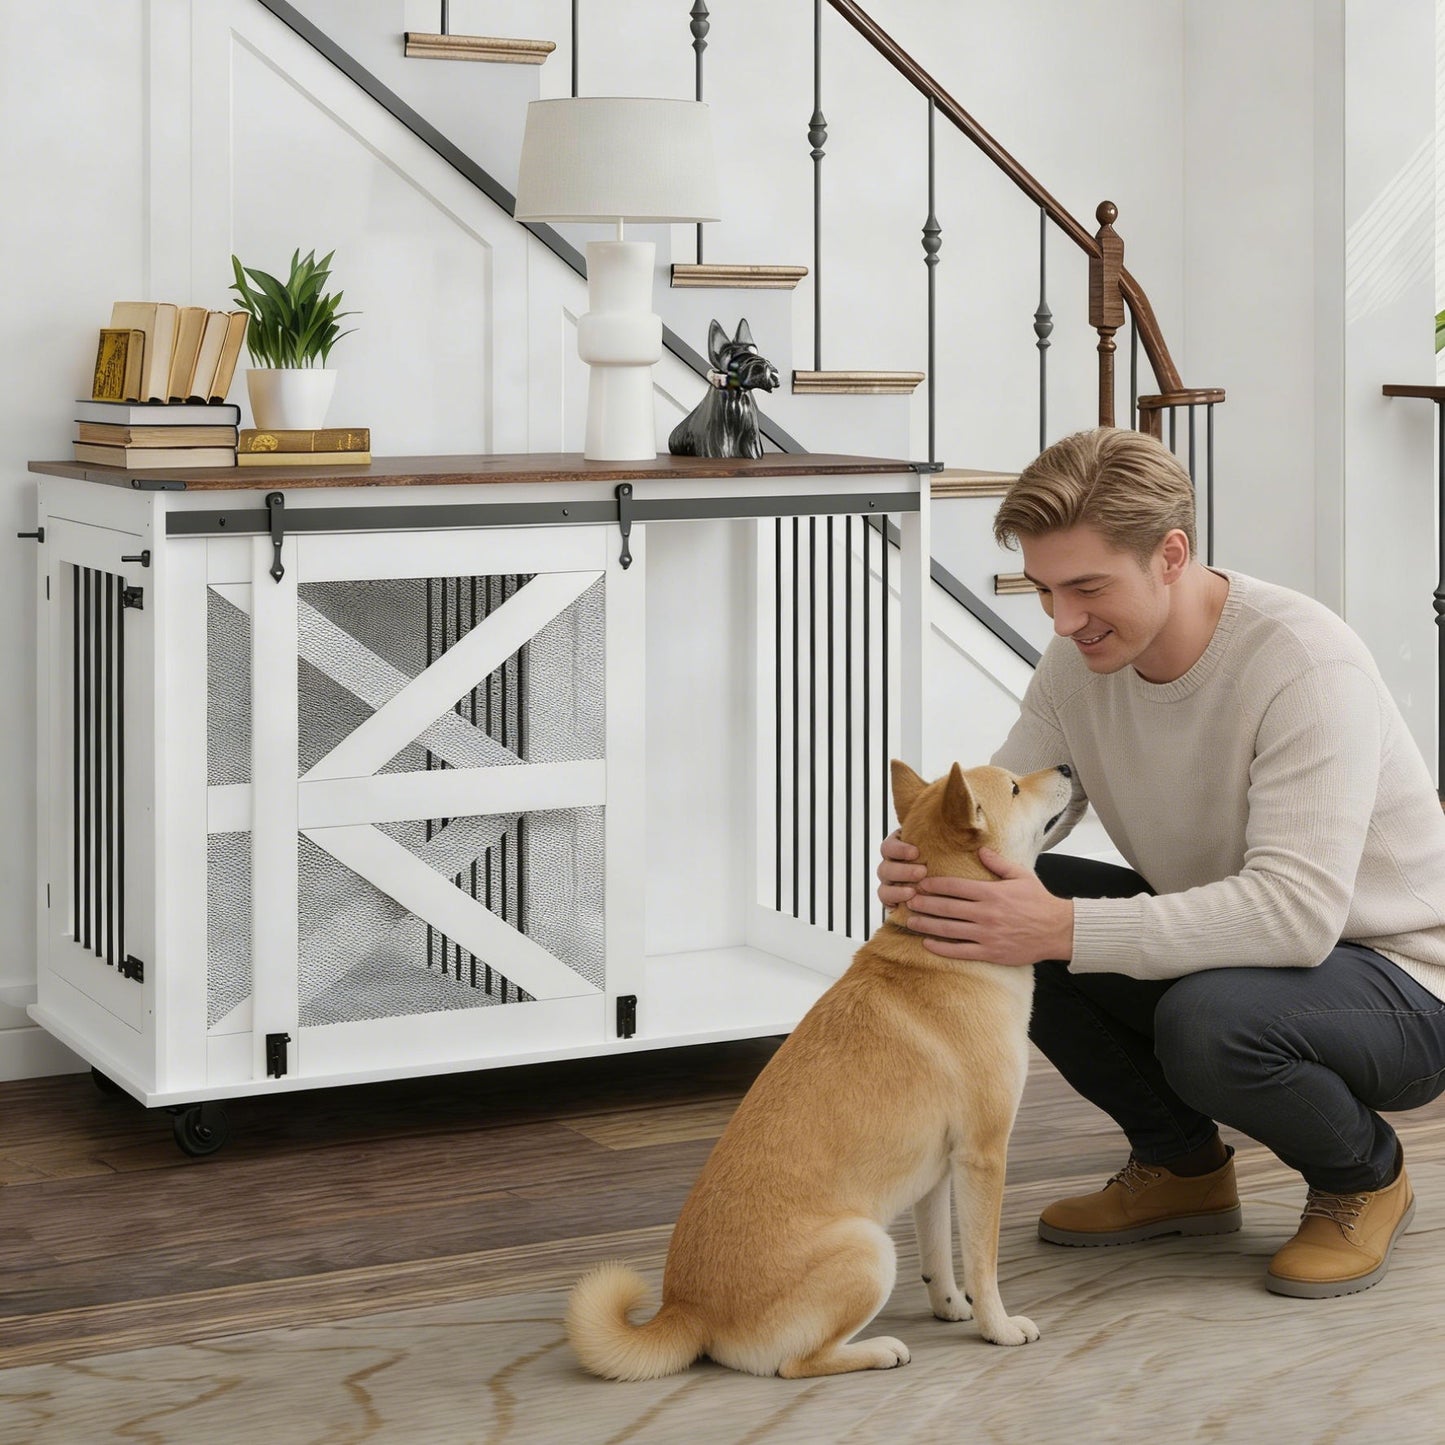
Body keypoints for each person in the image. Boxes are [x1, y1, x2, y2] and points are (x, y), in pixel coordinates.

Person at [877, 426, 1445, 1298]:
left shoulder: (1302, 662)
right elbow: (1007, 827)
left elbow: (1296, 916)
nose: (1062, 620)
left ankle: (1362, 1177)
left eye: (1086, 587)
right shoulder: (1077, 662)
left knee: (1203, 1018)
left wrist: (1061, 927)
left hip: (1401, 980)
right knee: (991, 913)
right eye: (1043, 589)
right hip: (1249, 952)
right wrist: (935, 866)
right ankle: (1181, 1166)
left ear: (1169, 556)